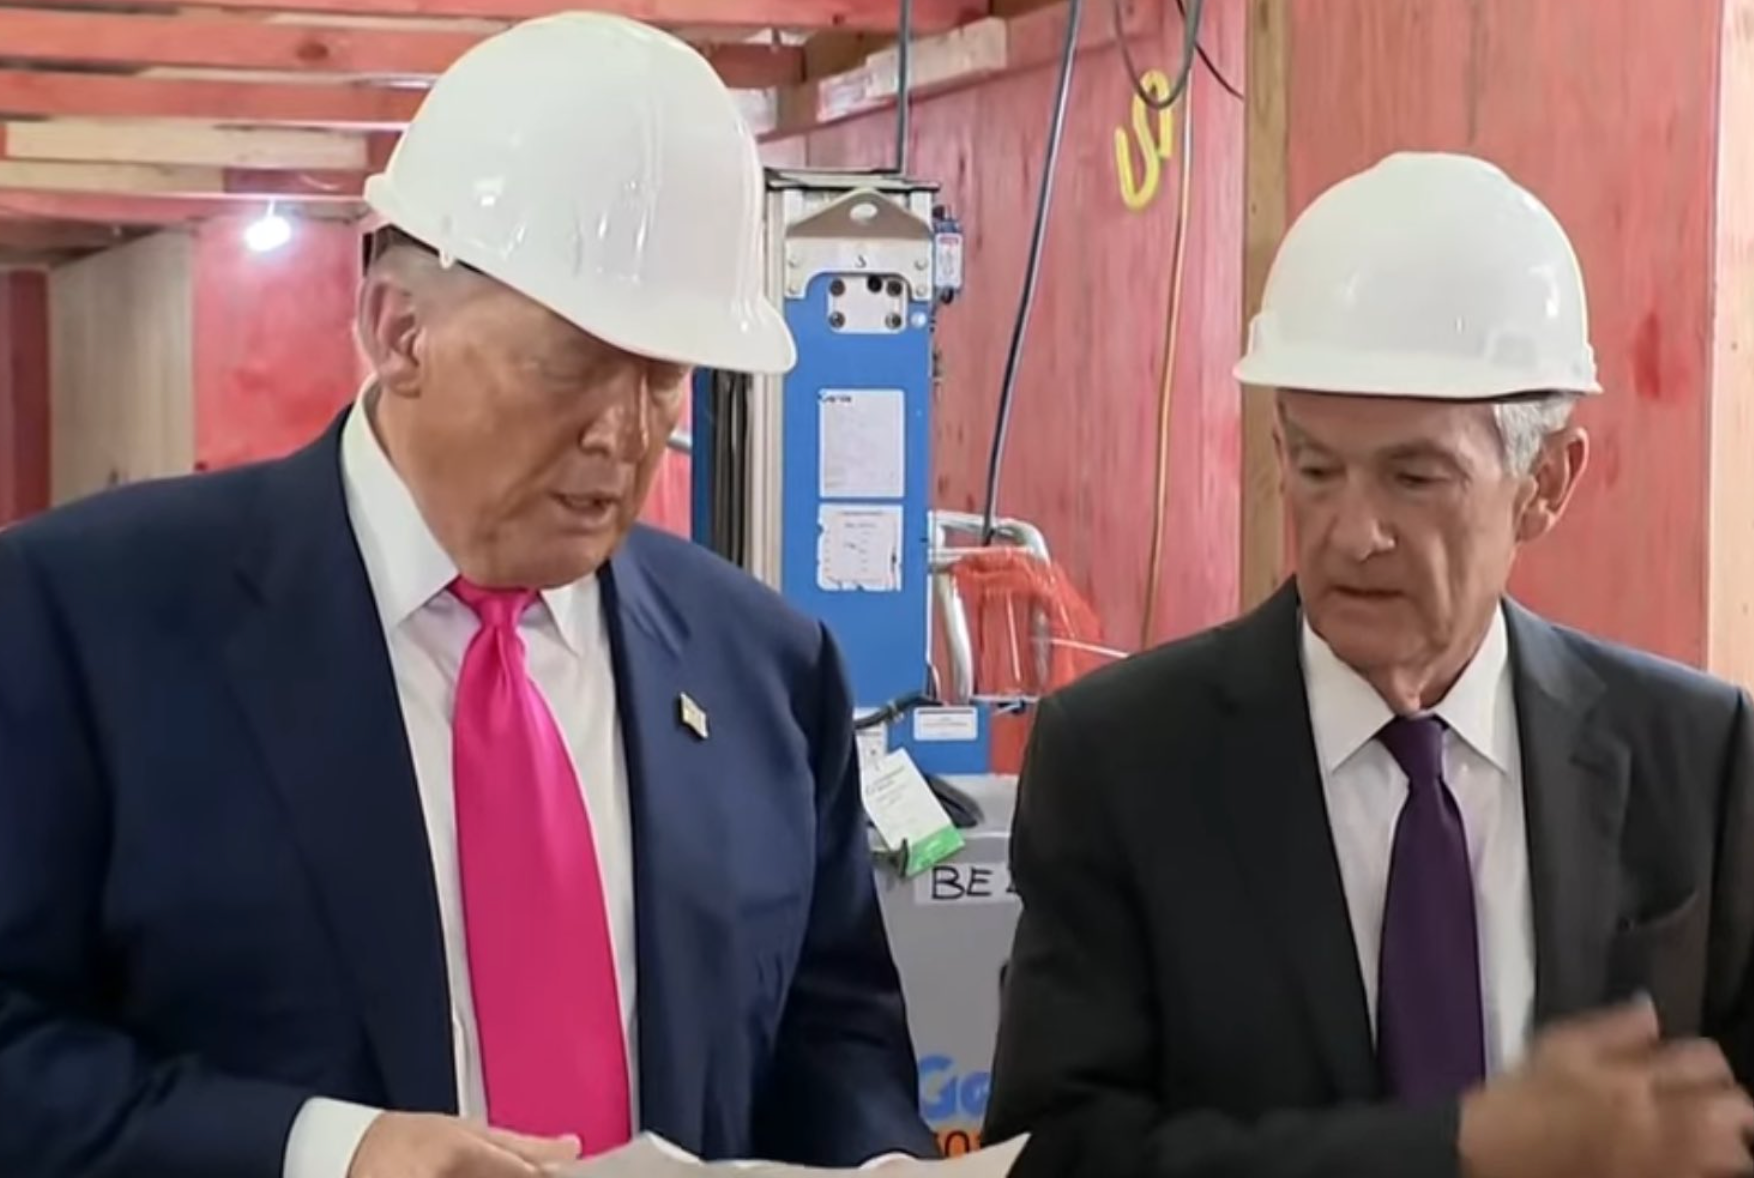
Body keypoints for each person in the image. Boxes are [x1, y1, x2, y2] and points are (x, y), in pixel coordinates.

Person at [0, 13, 935, 1178]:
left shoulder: (765, 672)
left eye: (665, 373)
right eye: (572, 363)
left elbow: (831, 1031)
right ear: (399, 331)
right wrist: (328, 1150)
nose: (625, 431)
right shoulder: (86, 622)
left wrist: (878, 1159)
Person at [982, 151, 1754, 1178]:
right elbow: (1058, 1156)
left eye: (1412, 476)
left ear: (1543, 482)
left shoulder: (1694, 756)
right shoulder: (1123, 762)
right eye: (1314, 468)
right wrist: (1461, 1148)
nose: (1352, 533)